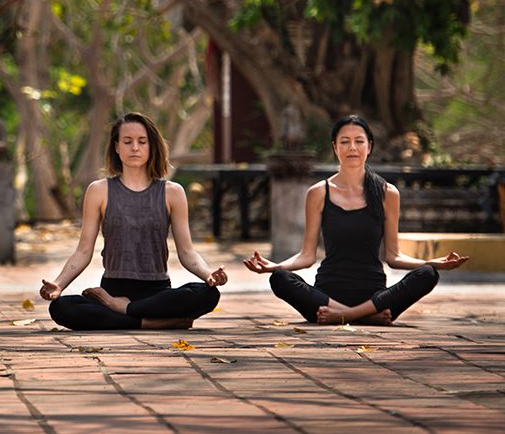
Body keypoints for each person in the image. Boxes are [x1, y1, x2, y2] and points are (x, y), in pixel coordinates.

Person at [244, 115, 468, 324]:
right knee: (280, 279)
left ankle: (345, 315)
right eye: (344, 142)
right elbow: (307, 256)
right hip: (327, 297)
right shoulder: (319, 192)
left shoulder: (387, 193)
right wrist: (274, 266)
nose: (352, 147)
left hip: (374, 295)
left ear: (369, 147)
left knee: (428, 275)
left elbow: (394, 256)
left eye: (359, 141)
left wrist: (433, 263)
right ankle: (365, 317)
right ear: (335, 147)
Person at [41, 112, 227, 330]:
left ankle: (125, 311)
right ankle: (148, 321)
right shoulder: (98, 191)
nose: (135, 148)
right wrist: (59, 284)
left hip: (156, 292)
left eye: (142, 142)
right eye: (127, 142)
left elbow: (187, 252)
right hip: (112, 289)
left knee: (207, 294)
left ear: (152, 146)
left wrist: (208, 275)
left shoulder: (172, 192)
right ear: (116, 147)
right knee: (61, 307)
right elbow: (83, 251)